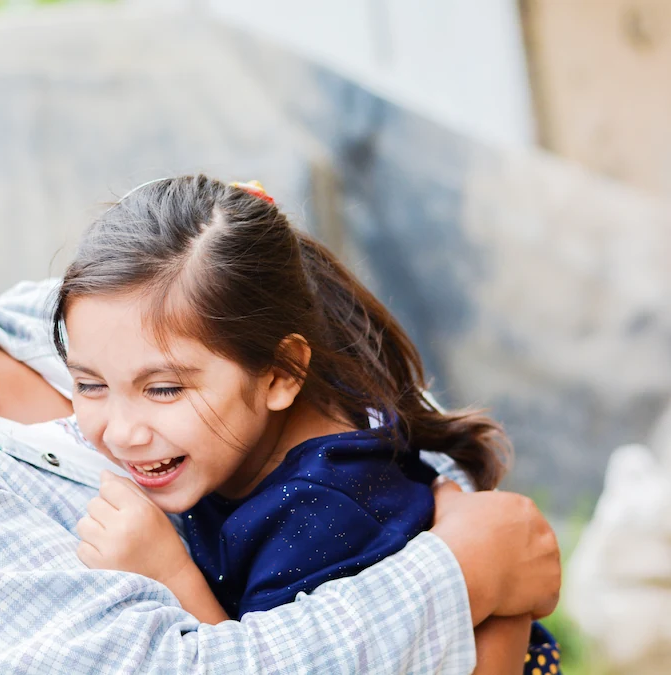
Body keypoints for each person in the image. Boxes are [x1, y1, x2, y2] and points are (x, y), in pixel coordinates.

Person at [0, 37, 560, 674]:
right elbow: (482, 538)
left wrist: (463, 534)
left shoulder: (53, 320)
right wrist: (462, 579)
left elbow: (387, 427)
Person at [55, 175, 561, 674]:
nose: (121, 432)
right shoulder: (293, 419)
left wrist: (171, 573)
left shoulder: (319, 514)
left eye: (164, 389)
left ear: (281, 373)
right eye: (90, 385)